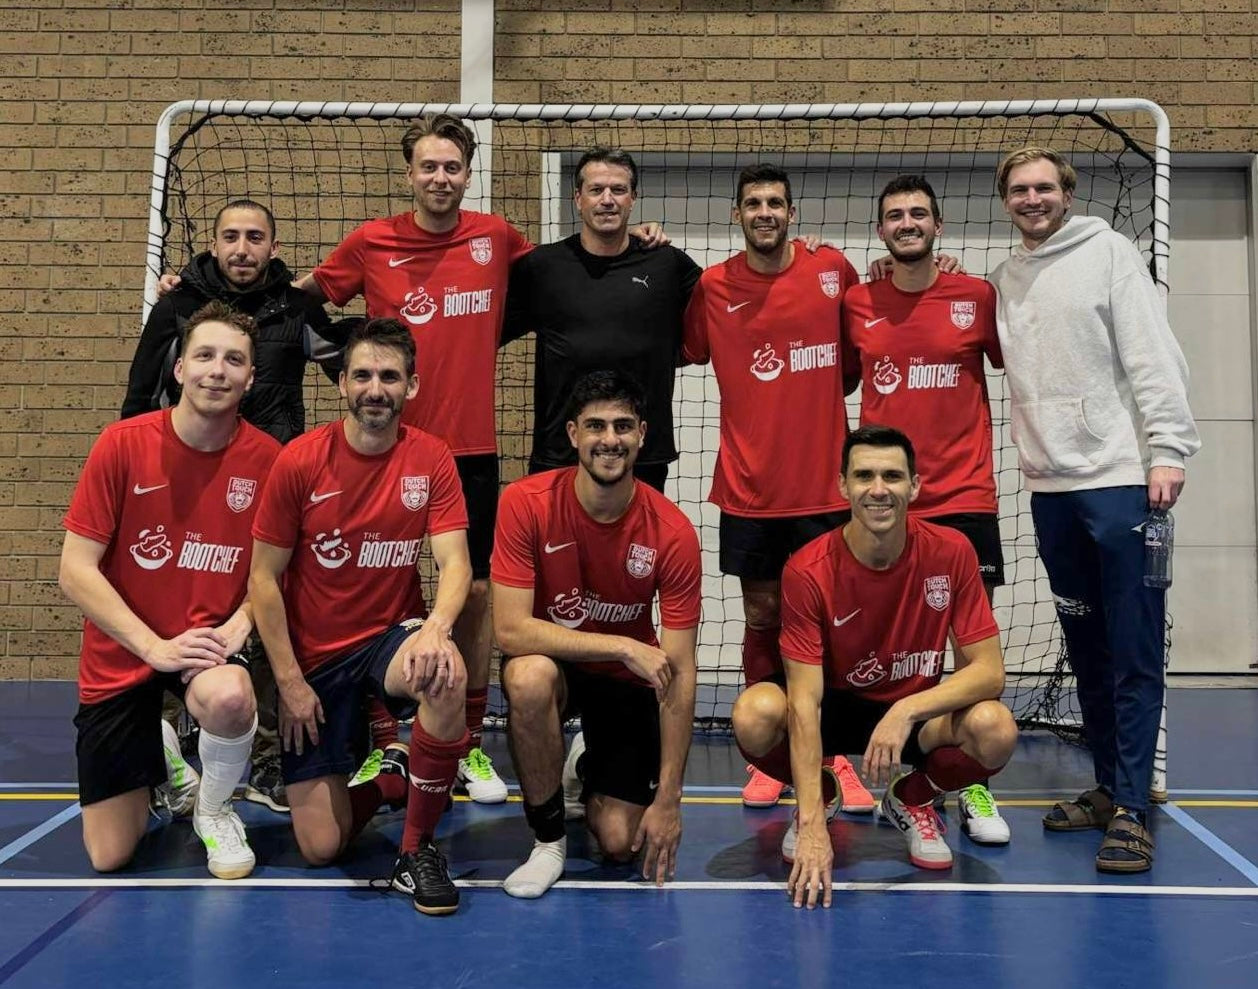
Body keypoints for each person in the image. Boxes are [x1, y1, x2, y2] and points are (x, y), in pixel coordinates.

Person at [292, 114, 534, 803]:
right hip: (383, 449)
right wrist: (340, 362)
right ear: (410, 173)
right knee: (387, 585)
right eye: (428, 166)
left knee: (477, 592)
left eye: (452, 167)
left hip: (471, 449)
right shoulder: (371, 241)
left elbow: (552, 278)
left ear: (467, 173)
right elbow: (303, 298)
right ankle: (385, 740)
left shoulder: (496, 237)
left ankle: (468, 746)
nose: (440, 178)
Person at [991, 147, 1200, 874]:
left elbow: (1151, 354)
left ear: (1067, 192)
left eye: (1044, 186)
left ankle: (1137, 807)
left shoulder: (1109, 253)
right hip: (1049, 489)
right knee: (1087, 649)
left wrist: (1167, 448)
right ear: (1006, 200)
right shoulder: (1006, 279)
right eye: (1019, 189)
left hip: (1118, 483)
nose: (1032, 198)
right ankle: (1111, 786)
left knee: (1134, 651)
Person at [125, 198, 349, 815]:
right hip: (185, 489)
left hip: (270, 483)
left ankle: (274, 758)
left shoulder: (296, 306)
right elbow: (141, 389)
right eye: (231, 237)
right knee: (173, 596)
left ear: (273, 247)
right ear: (214, 245)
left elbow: (349, 364)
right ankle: (167, 749)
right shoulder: (177, 304)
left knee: (273, 607)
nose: (243, 249)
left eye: (255, 238)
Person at [733, 425, 1018, 908]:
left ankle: (913, 796)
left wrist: (907, 710)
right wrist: (810, 824)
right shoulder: (807, 568)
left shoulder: (952, 552)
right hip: (836, 709)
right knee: (754, 713)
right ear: (843, 486)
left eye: (892, 475)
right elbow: (804, 701)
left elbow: (989, 672)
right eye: (864, 475)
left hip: (912, 715)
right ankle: (821, 798)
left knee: (996, 728)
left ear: (915, 485)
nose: (879, 489)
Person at [248, 317, 472, 915]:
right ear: (342, 383)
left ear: (412, 387)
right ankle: (398, 779)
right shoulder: (299, 461)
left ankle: (417, 849)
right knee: (321, 847)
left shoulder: (431, 459)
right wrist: (290, 683)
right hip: (314, 662)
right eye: (365, 375)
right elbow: (263, 579)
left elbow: (455, 564)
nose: (377, 389)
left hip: (386, 640)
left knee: (444, 672)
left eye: (391, 377)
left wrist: (435, 628)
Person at [60, 301, 280, 879]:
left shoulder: (269, 461)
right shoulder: (123, 444)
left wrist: (242, 622)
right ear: (179, 368)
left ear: (250, 378)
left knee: (232, 696)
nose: (218, 370)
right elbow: (75, 570)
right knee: (110, 856)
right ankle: (171, 766)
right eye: (204, 355)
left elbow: (275, 573)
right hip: (125, 653)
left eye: (234, 360)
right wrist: (153, 647)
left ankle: (213, 809)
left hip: (205, 650)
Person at [682, 162, 873, 812]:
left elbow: (856, 359)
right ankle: (771, 757)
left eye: (775, 202)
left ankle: (836, 754)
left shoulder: (831, 271)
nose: (764, 211)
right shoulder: (712, 287)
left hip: (825, 491)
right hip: (749, 494)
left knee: (833, 629)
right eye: (753, 203)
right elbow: (681, 346)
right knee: (762, 618)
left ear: (791, 212)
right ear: (736, 215)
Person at [840, 174, 1010, 845]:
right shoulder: (857, 300)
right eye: (894, 215)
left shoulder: (976, 296)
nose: (906, 223)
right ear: (880, 231)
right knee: (884, 643)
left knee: (971, 651)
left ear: (938, 226)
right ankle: (856, 767)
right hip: (886, 501)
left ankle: (966, 785)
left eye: (917, 214)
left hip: (964, 496)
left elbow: (1015, 365)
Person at [491, 370, 701, 899]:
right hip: (560, 667)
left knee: (618, 843)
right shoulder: (525, 502)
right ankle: (548, 841)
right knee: (528, 676)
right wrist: (623, 644)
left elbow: (680, 671)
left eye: (623, 426)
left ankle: (587, 760)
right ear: (572, 435)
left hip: (626, 687)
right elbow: (511, 630)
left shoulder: (672, 532)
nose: (610, 439)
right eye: (596, 426)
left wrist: (670, 799)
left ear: (643, 434)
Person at [503, 148, 702, 492]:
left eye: (618, 190)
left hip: (642, 455)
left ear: (633, 198)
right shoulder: (543, 267)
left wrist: (802, 255)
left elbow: (735, 298)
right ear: (578, 198)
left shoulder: (667, 265)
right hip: (560, 455)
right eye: (596, 190)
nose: (607, 200)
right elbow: (479, 325)